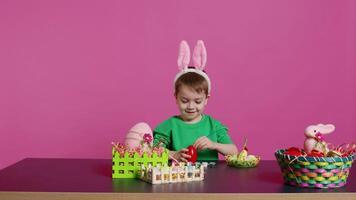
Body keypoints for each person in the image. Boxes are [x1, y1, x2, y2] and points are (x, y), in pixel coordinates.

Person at [153, 40, 238, 162]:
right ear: (176, 98)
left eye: (197, 101)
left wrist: (214, 145)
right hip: (179, 178)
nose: (191, 106)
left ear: (206, 99)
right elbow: (153, 151)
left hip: (210, 179)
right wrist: (174, 154)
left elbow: (234, 151)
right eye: (184, 100)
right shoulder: (169, 126)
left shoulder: (213, 125)